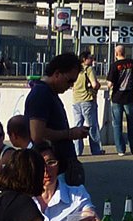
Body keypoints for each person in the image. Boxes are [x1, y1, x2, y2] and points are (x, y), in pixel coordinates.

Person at [24, 53, 90, 187]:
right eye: (69, 81)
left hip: (59, 166)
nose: (70, 86)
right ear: (57, 73)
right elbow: (37, 134)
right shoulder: (41, 94)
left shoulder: (48, 93)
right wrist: (70, 134)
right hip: (53, 168)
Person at [34, 141, 97, 221]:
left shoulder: (77, 194)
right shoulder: (24, 198)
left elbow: (92, 220)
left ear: (59, 164)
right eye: (40, 165)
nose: (46, 170)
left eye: (51, 162)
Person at [107, 45, 133, 156]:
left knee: (117, 124)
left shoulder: (114, 66)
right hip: (130, 97)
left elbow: (110, 83)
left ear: (116, 54)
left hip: (117, 97)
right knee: (131, 122)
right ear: (125, 53)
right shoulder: (132, 63)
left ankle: (120, 150)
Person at [71, 52, 104, 157]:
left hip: (76, 100)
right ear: (84, 59)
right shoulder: (88, 69)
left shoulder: (76, 70)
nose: (92, 59)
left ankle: (77, 151)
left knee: (78, 126)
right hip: (87, 100)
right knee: (92, 126)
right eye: (90, 58)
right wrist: (98, 85)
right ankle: (96, 149)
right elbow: (94, 84)